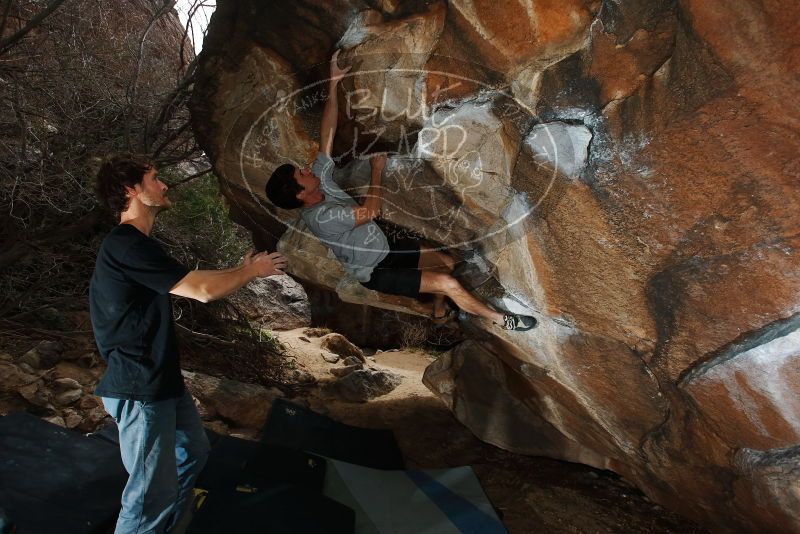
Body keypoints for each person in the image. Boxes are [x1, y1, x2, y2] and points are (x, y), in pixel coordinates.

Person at [265, 50, 536, 331]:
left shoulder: (319, 180)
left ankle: (438, 311)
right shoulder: (322, 218)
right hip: (377, 270)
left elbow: (327, 136)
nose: (307, 169)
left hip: (386, 246)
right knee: (448, 282)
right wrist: (377, 171)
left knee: (446, 262)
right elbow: (371, 211)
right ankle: (503, 320)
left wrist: (333, 83)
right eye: (301, 174)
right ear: (300, 194)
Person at [90, 154, 287, 533]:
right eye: (153, 179)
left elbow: (192, 277)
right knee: (148, 494)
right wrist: (250, 271)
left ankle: (168, 527)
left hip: (162, 381)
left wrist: (240, 267)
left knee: (193, 453)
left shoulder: (139, 245)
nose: (163, 185)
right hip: (139, 385)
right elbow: (201, 291)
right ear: (131, 190)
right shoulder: (126, 245)